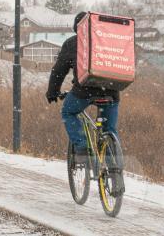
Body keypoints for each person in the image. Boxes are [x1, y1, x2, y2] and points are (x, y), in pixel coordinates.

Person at [45, 12, 120, 163]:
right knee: (109, 130)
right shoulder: (108, 41)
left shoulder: (73, 43)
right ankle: (115, 173)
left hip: (84, 91)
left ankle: (83, 148)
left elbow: (59, 71)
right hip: (111, 91)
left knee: (68, 112)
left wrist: (52, 92)